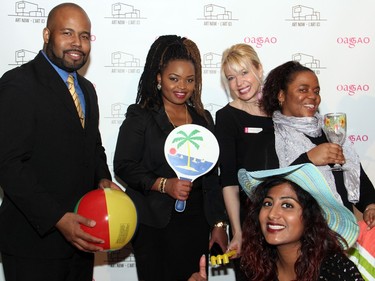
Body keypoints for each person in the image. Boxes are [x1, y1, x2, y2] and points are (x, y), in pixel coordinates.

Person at [0, 3, 119, 281]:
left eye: (85, 36)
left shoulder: (87, 89)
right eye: (67, 33)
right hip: (33, 243)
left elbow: (93, 146)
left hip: (82, 240)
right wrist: (57, 218)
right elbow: (8, 164)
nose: (77, 43)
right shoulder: (18, 84)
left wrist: (102, 178)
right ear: (46, 34)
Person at [113, 35, 228, 281]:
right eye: (173, 79)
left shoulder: (203, 119)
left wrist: (219, 225)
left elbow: (211, 180)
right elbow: (124, 165)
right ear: (158, 78)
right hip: (154, 226)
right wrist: (165, 185)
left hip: (195, 225)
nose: (182, 87)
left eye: (189, 80)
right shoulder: (141, 116)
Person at [260, 60, 375, 229]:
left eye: (316, 91)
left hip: (343, 233)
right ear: (281, 95)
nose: (312, 96)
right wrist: (308, 159)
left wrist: (370, 205)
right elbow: (266, 191)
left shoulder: (331, 132)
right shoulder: (268, 138)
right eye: (303, 89)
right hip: (299, 238)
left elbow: (357, 178)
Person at [237, 163, 364, 281]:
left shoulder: (335, 270)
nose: (272, 214)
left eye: (287, 205)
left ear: (310, 217)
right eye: (268, 203)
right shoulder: (253, 266)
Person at [214, 43, 274, 280]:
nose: (239, 82)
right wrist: (237, 232)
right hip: (250, 221)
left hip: (288, 217)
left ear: (259, 69)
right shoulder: (226, 117)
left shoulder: (281, 110)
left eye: (244, 72)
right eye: (231, 77)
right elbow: (228, 179)